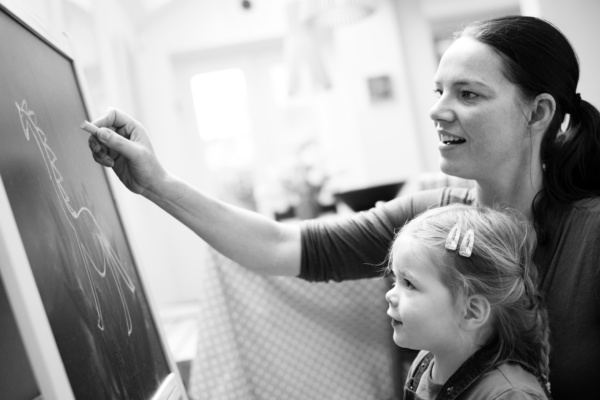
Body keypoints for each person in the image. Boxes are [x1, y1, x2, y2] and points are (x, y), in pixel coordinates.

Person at [85, 15, 600, 399]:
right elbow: (280, 245)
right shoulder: (429, 218)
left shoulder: (592, 234)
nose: (437, 109)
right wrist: (155, 182)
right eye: (440, 89)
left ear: (539, 112)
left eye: (468, 94)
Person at [385, 204, 550, 399]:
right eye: (395, 280)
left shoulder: (509, 395)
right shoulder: (423, 364)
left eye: (409, 284)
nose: (390, 295)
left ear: (471, 312)